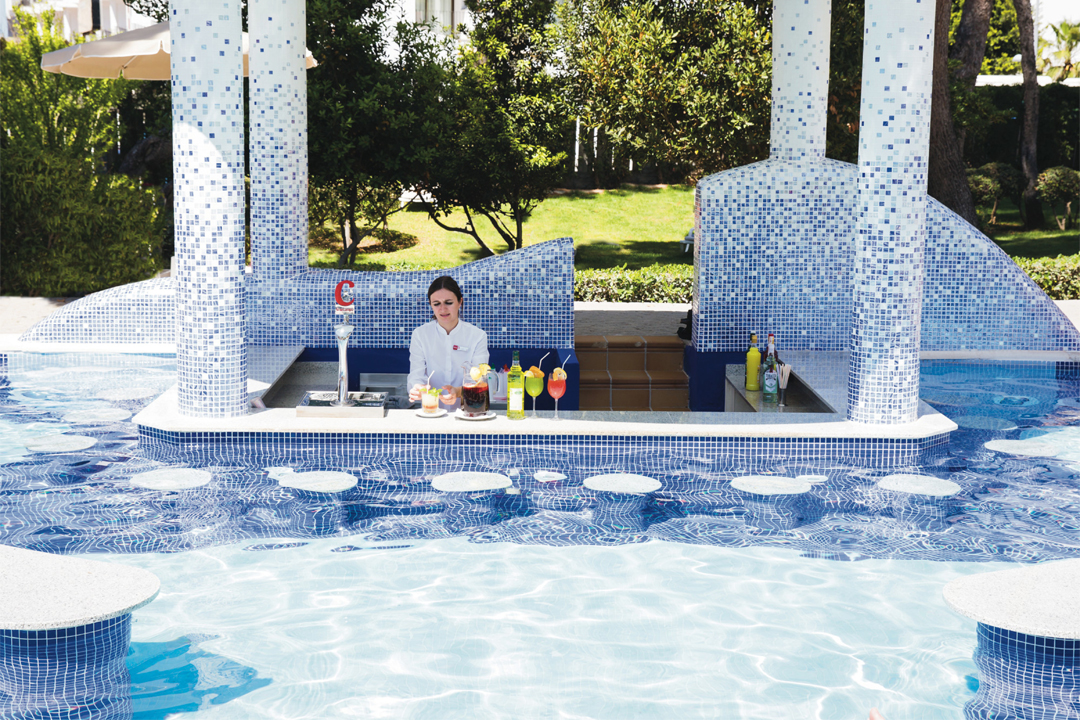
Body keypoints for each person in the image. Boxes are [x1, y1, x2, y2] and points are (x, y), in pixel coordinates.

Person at [407, 276, 489, 408]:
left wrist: (458, 392)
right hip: (431, 412)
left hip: (468, 411)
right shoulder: (420, 335)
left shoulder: (477, 336)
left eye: (448, 302)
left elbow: (480, 381)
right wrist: (418, 388)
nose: (443, 309)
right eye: (436, 304)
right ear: (431, 305)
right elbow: (416, 374)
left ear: (460, 302)